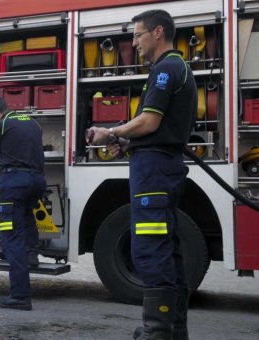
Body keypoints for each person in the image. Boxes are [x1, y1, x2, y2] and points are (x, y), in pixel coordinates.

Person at [87, 9, 197, 340]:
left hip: (155, 171)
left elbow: (149, 123)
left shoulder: (166, 70)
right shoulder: (176, 68)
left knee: (150, 248)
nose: (133, 42)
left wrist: (110, 133)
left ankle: (157, 332)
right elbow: (154, 128)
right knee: (167, 249)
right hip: (159, 165)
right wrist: (128, 142)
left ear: (158, 32)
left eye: (138, 35)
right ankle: (172, 330)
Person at [0, 96, 46, 311]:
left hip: (14, 183)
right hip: (37, 181)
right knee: (26, 216)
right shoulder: (33, 122)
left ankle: (20, 295)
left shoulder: (1, 124)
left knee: (11, 238)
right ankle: (32, 254)